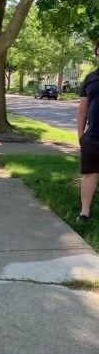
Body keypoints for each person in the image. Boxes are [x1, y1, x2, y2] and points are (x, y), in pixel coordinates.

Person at [76, 40, 99, 222]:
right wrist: (81, 137)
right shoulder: (90, 79)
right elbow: (82, 111)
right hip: (93, 137)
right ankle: (85, 212)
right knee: (89, 174)